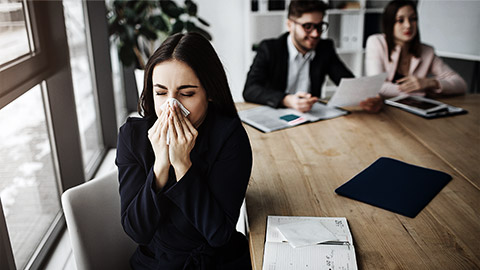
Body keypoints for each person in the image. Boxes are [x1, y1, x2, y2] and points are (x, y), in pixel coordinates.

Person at [116, 32, 253, 270]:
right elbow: (137, 230)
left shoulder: (229, 137)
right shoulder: (132, 136)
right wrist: (161, 166)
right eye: (160, 93)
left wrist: (182, 165)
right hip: (157, 263)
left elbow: (218, 234)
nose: (171, 106)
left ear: (209, 92)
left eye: (187, 94)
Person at [243, 0, 382, 113]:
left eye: (319, 26)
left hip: (311, 116)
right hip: (277, 114)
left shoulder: (325, 48)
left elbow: (346, 81)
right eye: (307, 26)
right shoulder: (269, 49)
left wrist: (367, 96)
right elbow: (250, 90)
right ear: (290, 25)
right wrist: (287, 100)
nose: (315, 34)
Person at [365, 0, 467, 98]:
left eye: (413, 19)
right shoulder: (376, 42)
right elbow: (377, 86)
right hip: (384, 108)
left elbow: (461, 84)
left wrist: (430, 82)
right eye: (400, 20)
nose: (408, 25)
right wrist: (422, 92)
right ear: (390, 23)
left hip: (414, 108)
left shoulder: (427, 51)